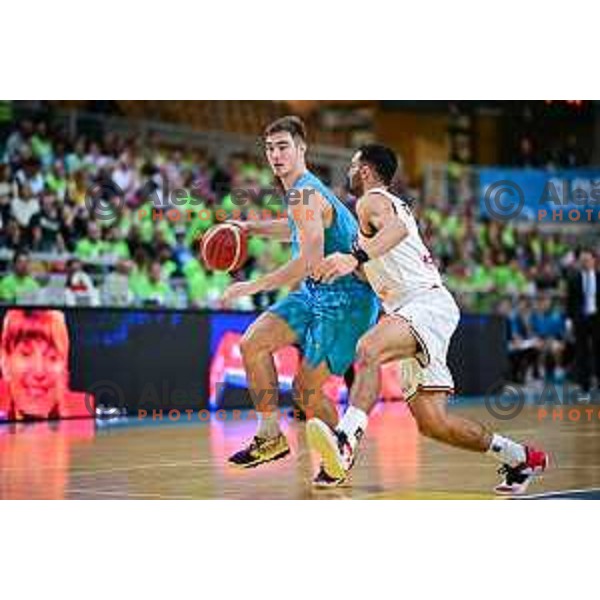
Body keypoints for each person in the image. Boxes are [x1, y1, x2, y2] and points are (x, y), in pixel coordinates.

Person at [308, 144, 548, 495]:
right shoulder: (379, 210)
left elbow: (397, 233)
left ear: (365, 171)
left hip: (423, 305)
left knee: (368, 349)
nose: (348, 170)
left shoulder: (372, 200)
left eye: (352, 164)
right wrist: (346, 266)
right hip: (422, 308)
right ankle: (521, 457)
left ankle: (345, 442)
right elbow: (381, 259)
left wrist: (354, 255)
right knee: (433, 424)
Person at [221, 116, 379, 477]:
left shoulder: (305, 192)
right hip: (314, 292)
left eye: (283, 147)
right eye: (270, 148)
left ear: (301, 149)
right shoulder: (299, 194)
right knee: (253, 344)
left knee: (306, 393)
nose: (275, 155)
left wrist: (253, 285)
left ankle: (341, 452)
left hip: (348, 299)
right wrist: (249, 227)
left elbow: (308, 260)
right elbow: (294, 228)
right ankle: (269, 436)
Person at [0, 309, 94, 421]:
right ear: (4, 361)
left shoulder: (84, 411)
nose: (39, 372)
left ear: (65, 366)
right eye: (26, 354)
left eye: (52, 357)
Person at [566, 249, 600, 393]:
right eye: (582, 260)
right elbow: (570, 301)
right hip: (581, 319)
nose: (585, 262)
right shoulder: (574, 278)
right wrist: (569, 319)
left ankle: (598, 380)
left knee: (599, 349)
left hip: (597, 318)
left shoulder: (599, 277)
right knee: (581, 351)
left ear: (594, 261)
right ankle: (583, 383)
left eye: (588, 259)